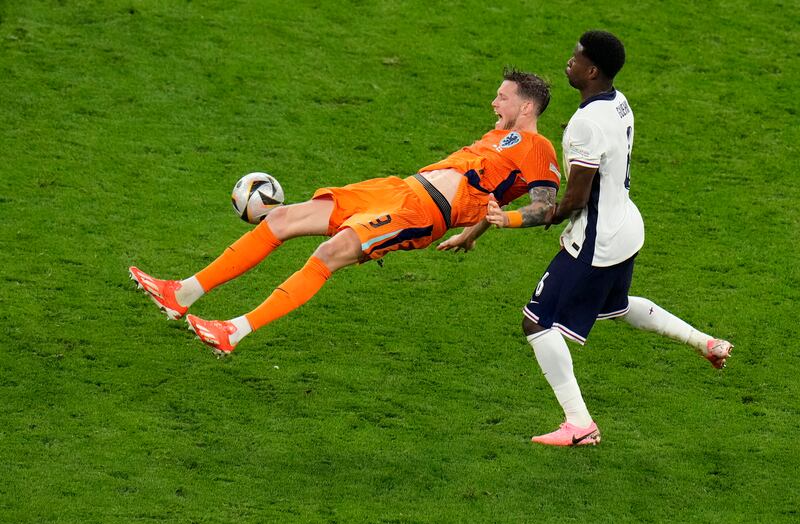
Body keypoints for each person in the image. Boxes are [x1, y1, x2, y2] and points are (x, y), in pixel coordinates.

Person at [129, 68, 562, 356]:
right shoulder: (498, 135)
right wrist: (474, 233)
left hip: (421, 214)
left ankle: (234, 331)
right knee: (282, 218)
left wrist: (510, 219)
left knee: (328, 255)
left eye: (502, 97)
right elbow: (490, 198)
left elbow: (546, 207)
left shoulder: (538, 148)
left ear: (527, 106)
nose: (493, 102)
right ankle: (181, 294)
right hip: (397, 189)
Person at [485, 31, 733, 446]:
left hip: (596, 241)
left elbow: (575, 199)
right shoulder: (617, 102)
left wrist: (512, 218)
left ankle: (579, 424)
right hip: (625, 228)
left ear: (593, 70)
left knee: (537, 322)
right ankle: (704, 342)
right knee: (614, 306)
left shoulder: (586, 123)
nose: (570, 61)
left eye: (577, 58)